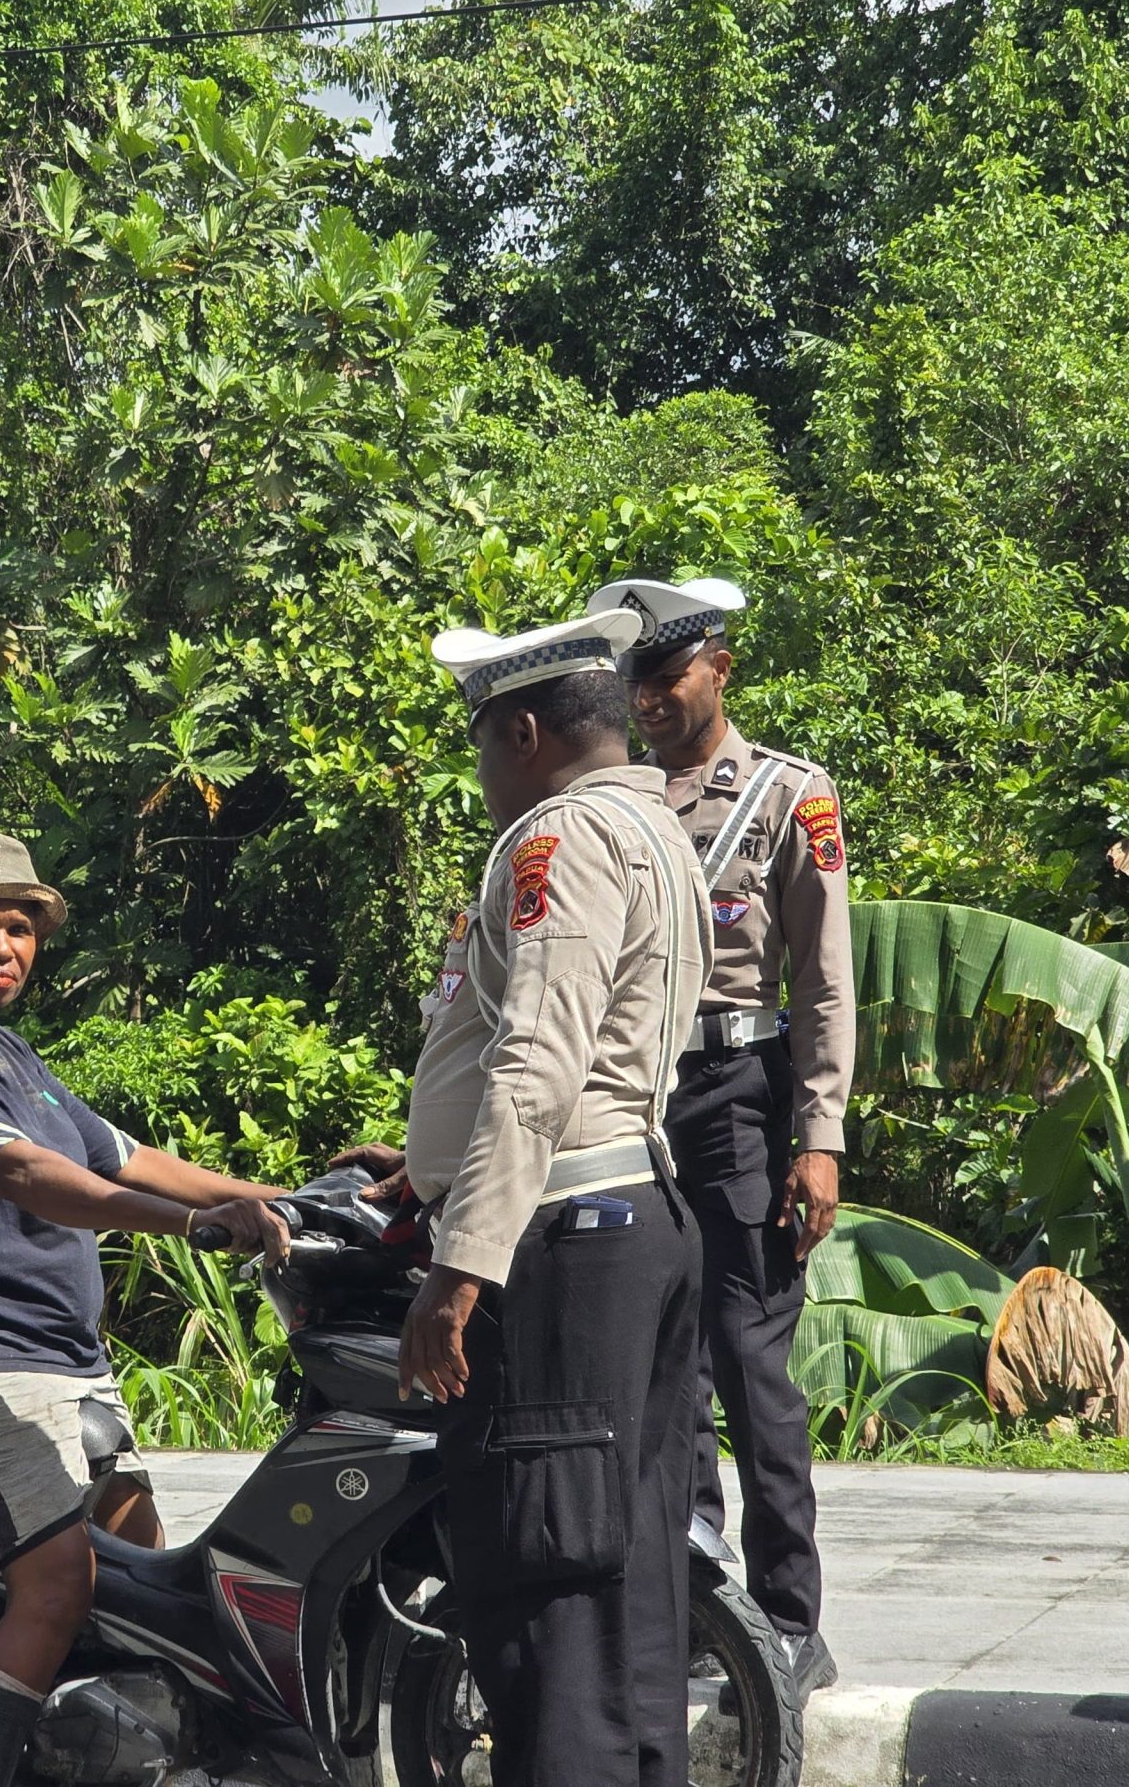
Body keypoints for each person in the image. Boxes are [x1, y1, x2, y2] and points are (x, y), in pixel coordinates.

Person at [0, 825, 290, 1787]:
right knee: (57, 1590)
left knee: (144, 1585)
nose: (4, 946)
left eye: (21, 928)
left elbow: (125, 1158)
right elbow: (24, 1173)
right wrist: (191, 1226)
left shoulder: (8, 1051)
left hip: (71, 1360)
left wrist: (291, 1200)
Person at [394, 609, 711, 1787]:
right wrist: (428, 1158)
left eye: (483, 744)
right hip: (632, 1214)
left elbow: (538, 1059)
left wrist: (456, 1270)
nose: (482, 773)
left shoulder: (559, 835)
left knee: (543, 1585)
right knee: (625, 1575)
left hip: (563, 1237)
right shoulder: (656, 822)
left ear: (522, 732)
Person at [586, 575, 850, 1699]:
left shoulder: (788, 794)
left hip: (741, 1094)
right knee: (665, 1366)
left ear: (718, 668)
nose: (648, 698)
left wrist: (819, 1134)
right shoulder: (613, 798)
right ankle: (699, 1610)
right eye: (634, 682)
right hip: (637, 1098)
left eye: (667, 675)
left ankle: (788, 1622)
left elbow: (826, 981)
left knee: (748, 1359)